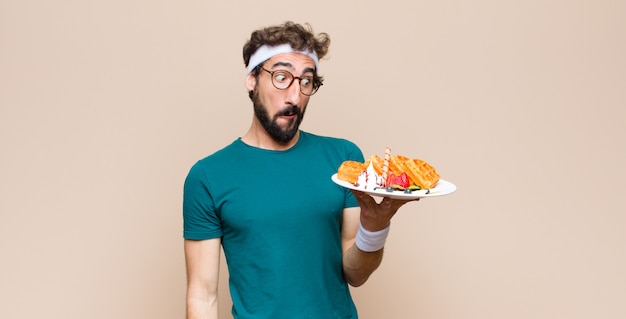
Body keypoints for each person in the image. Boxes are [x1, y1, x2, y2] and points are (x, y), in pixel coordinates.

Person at [183, 21, 416, 319]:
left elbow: (355, 274)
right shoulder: (208, 177)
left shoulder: (343, 160)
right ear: (251, 80)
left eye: (306, 82)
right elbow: (202, 298)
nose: (294, 96)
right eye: (281, 77)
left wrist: (375, 227)